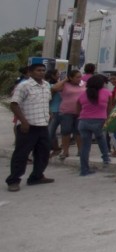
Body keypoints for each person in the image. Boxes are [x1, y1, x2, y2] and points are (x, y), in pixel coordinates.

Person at [6, 63, 55, 192]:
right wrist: (23, 122)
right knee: (21, 154)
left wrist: (49, 112)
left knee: (43, 153)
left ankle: (37, 176)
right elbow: (14, 104)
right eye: (38, 70)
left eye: (43, 70)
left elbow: (46, 101)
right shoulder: (24, 86)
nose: (41, 72)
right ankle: (14, 180)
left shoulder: (46, 85)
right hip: (28, 126)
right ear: (31, 72)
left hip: (43, 125)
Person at [76, 74, 112, 176]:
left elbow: (78, 107)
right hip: (99, 120)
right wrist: (108, 118)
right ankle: (105, 157)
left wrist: (81, 116)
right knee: (101, 139)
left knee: (85, 147)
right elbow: (109, 108)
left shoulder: (83, 94)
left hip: (83, 121)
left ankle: (84, 170)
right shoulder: (106, 93)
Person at [51, 69, 83, 160]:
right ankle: (65, 151)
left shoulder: (83, 84)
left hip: (80, 112)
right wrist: (65, 80)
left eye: (80, 76)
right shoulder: (65, 85)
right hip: (66, 112)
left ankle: (80, 150)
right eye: (77, 77)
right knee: (66, 131)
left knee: (79, 132)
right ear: (71, 78)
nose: (79, 79)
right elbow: (54, 88)